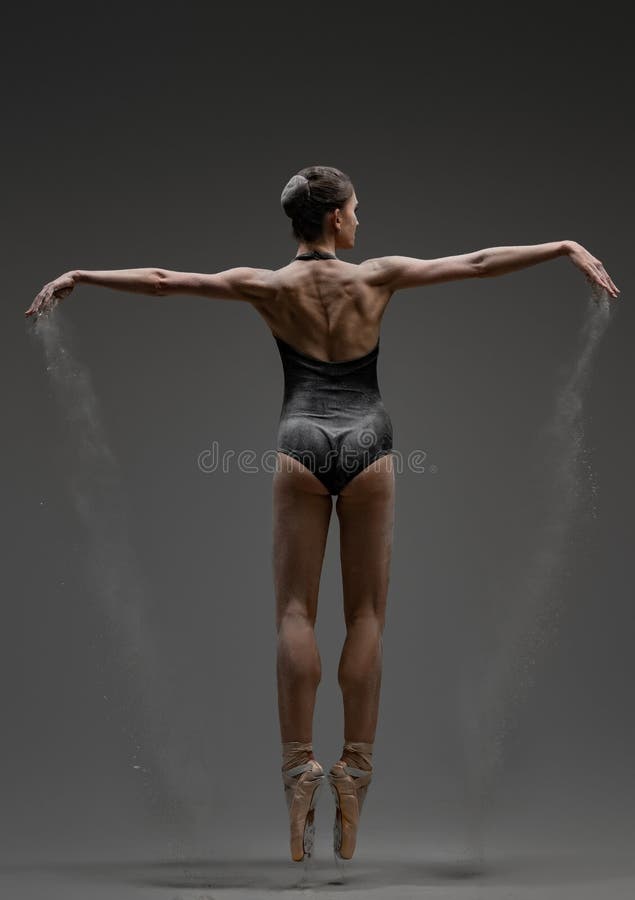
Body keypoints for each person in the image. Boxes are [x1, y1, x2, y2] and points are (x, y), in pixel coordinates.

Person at [25, 165, 620, 864]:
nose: (361, 220)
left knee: (293, 615)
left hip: (299, 441)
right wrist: (561, 246)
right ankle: (355, 772)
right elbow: (480, 264)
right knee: (366, 614)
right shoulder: (376, 276)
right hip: (369, 444)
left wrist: (80, 275)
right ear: (335, 218)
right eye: (356, 210)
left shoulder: (268, 285)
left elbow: (163, 280)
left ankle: (298, 769)